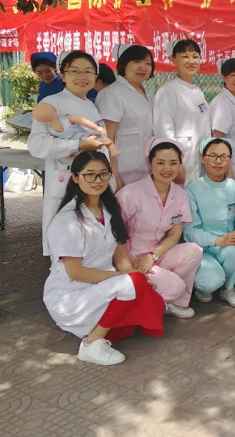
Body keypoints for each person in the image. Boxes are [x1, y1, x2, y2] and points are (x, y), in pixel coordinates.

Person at [43, 151, 164, 366]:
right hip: (71, 295)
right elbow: (76, 272)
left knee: (157, 304)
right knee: (134, 287)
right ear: (75, 177)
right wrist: (127, 281)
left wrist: (137, 282)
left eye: (103, 174)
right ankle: (91, 344)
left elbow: (120, 255)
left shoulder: (108, 209)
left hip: (100, 287)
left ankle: (102, 326)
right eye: (89, 174)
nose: (97, 180)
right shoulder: (67, 220)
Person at [29, 50, 111, 254]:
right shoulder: (50, 104)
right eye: (74, 71)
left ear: (95, 76)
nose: (82, 77)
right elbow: (36, 145)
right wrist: (77, 145)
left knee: (91, 245)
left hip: (94, 184)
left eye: (88, 71)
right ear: (63, 75)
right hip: (65, 183)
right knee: (66, 247)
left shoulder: (90, 105)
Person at [116, 138, 203, 319]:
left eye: (173, 163)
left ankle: (173, 302)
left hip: (156, 254)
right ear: (149, 162)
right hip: (131, 259)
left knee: (194, 251)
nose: (167, 168)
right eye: (161, 163)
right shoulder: (130, 194)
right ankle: (160, 296)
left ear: (180, 164)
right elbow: (115, 235)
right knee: (176, 286)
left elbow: (175, 233)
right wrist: (130, 264)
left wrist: (152, 256)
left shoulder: (180, 195)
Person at [184, 137, 235, 308]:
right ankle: (205, 287)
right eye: (213, 155)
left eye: (224, 156)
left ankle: (228, 288)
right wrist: (218, 240)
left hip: (228, 244)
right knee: (210, 282)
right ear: (202, 158)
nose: (218, 161)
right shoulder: (192, 189)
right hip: (202, 249)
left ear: (229, 160)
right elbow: (190, 230)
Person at [95, 44, 155, 188]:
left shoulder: (149, 94)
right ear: (123, 64)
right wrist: (114, 175)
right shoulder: (111, 94)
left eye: (148, 63)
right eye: (136, 62)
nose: (143, 67)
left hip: (147, 168)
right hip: (123, 170)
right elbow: (107, 137)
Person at [152, 39, 212, 183]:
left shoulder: (197, 91)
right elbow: (163, 131)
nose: (191, 61)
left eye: (195, 56)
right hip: (181, 162)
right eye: (185, 56)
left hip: (199, 160)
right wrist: (174, 163)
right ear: (173, 60)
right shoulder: (167, 91)